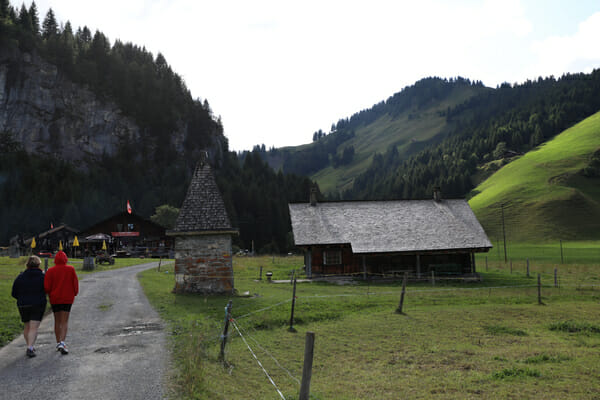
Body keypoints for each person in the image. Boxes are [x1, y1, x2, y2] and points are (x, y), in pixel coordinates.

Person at [11, 255, 47, 358]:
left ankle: (29, 345)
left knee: (27, 326)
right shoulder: (42, 276)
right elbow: (47, 289)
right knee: (33, 328)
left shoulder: (20, 276)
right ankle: (30, 347)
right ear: (38, 264)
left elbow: (14, 293)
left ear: (27, 264)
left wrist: (21, 298)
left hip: (23, 304)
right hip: (37, 304)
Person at [44, 251, 79, 355]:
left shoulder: (50, 271)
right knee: (64, 321)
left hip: (55, 299)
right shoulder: (70, 269)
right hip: (67, 298)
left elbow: (46, 287)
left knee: (57, 321)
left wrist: (50, 293)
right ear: (65, 258)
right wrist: (74, 293)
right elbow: (75, 284)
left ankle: (58, 342)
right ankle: (62, 343)